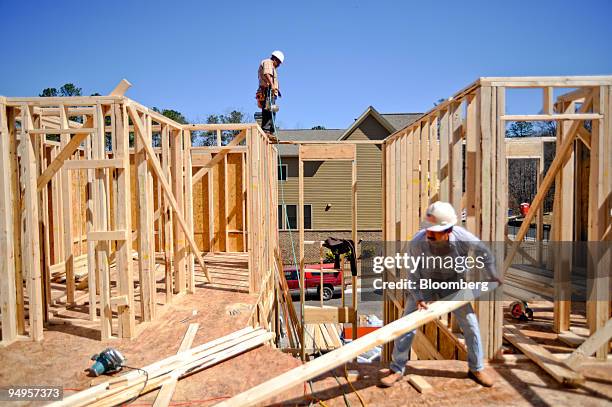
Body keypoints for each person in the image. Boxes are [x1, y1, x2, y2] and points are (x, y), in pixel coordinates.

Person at [379, 201, 497, 388]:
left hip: (453, 285)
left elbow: (484, 252)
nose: (429, 234)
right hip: (425, 284)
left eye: (433, 231)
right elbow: (413, 273)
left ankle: (476, 368)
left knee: (471, 325)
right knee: (406, 325)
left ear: (448, 230)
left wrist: (491, 275)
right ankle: (396, 369)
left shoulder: (462, 238)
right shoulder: (418, 242)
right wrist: (418, 297)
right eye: (427, 230)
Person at [257, 50, 284, 136]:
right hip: (267, 90)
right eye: (279, 63)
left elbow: (273, 78)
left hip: (271, 91)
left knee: (273, 110)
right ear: (275, 59)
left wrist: (277, 90)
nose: (279, 65)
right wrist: (272, 85)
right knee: (268, 110)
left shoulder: (273, 67)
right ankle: (266, 130)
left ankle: (270, 131)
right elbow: (267, 74)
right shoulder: (268, 62)